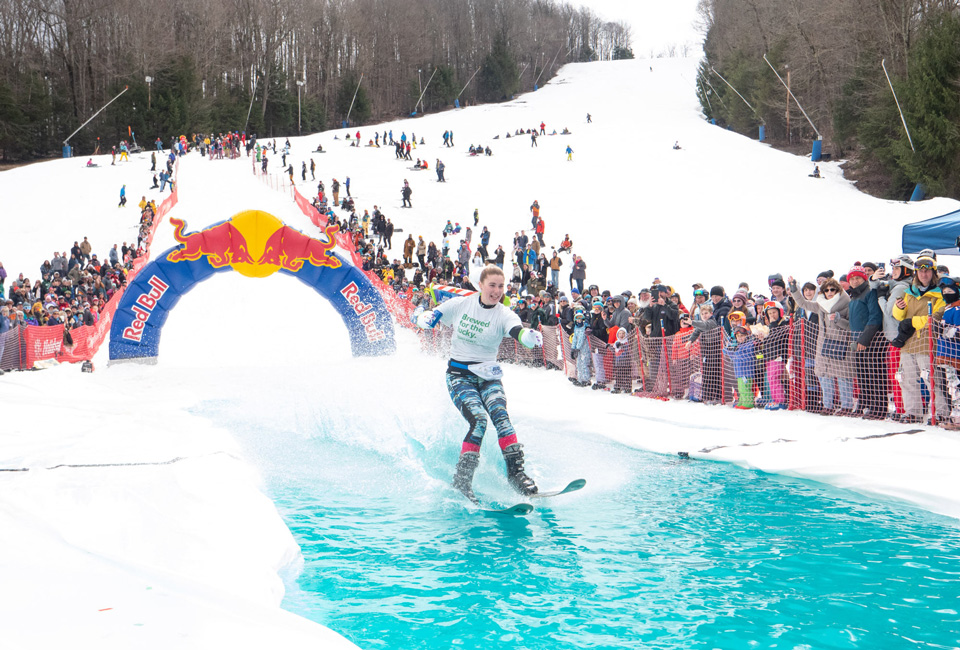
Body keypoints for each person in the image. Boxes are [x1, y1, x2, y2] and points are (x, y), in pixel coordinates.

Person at [415, 265, 544, 502]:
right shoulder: (461, 304)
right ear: (481, 285)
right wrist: (425, 318)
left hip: (488, 377)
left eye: (501, 286)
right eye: (492, 285)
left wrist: (528, 337)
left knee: (502, 418)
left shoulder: (504, 314)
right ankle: (462, 480)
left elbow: (517, 331)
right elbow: (430, 317)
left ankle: (516, 475)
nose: (497, 291)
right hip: (459, 376)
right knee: (479, 421)